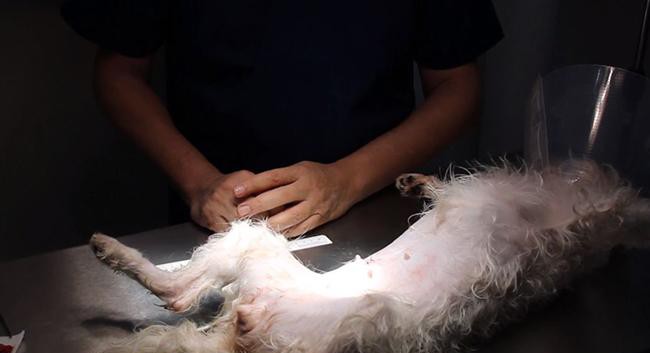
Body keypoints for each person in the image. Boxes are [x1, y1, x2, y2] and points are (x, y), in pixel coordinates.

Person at [61, 0, 502, 237]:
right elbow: (119, 74)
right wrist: (199, 183)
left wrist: (346, 181)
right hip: (220, 216)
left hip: (374, 207)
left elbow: (458, 87)